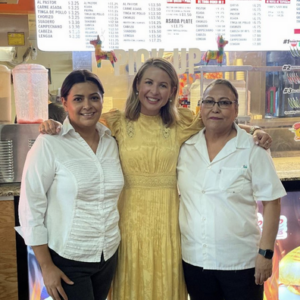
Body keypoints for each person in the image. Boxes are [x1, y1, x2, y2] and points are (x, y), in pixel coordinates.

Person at [39, 59, 272, 300]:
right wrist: (55, 123)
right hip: (127, 222)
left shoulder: (181, 121)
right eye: (148, 82)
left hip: (170, 222)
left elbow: (220, 121)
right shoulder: (116, 121)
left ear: (172, 91)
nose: (154, 91)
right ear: (137, 85)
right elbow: (81, 122)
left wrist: (255, 132)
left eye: (163, 85)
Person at [19, 70, 124, 300]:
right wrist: (46, 266)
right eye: (78, 99)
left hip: (108, 253)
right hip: (69, 258)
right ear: (64, 102)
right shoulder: (50, 142)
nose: (88, 105)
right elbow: (30, 206)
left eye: (94, 97)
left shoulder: (111, 140)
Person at [177, 79, 286, 300]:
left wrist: (266, 254)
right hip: (195, 261)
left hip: (241, 263)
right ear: (201, 108)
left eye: (224, 102)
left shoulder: (252, 149)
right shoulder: (185, 146)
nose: (215, 108)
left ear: (236, 109)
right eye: (209, 102)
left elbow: (272, 202)